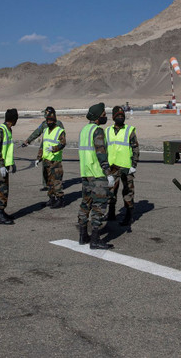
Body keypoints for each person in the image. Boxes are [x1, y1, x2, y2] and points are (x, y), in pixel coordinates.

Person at [77, 102, 114, 250]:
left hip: (85, 174)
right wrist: (108, 173)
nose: (106, 117)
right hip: (97, 175)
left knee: (85, 205)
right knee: (99, 207)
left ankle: (82, 235)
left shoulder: (84, 130)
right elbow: (100, 153)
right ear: (98, 117)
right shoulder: (97, 131)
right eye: (104, 115)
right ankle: (95, 239)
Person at [105, 105, 140, 226]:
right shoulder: (107, 131)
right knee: (111, 190)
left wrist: (134, 164)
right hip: (112, 166)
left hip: (126, 167)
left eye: (122, 116)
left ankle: (129, 215)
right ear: (113, 117)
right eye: (118, 116)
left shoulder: (130, 130)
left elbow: (135, 148)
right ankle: (111, 213)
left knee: (128, 191)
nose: (120, 118)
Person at [21, 106, 64, 191]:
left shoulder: (58, 124)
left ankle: (57, 186)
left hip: (55, 149)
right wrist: (28, 141)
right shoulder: (44, 123)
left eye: (46, 113)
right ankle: (46, 185)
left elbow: (62, 137)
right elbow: (37, 132)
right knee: (45, 166)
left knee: (55, 170)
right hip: (45, 146)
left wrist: (57, 147)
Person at [0, 109, 18, 225]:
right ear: (13, 119)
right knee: (2, 190)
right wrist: (1, 165)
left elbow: (7, 150)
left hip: (4, 165)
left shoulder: (8, 130)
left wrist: (11, 163)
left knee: (4, 190)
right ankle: (0, 215)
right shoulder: (1, 130)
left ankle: (2, 212)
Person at [36, 112, 66, 209]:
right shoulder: (45, 131)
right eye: (47, 120)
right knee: (49, 181)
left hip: (55, 161)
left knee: (56, 181)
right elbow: (42, 146)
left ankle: (60, 200)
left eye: (51, 121)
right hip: (46, 160)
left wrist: (54, 148)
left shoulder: (59, 131)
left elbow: (63, 143)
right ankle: (51, 198)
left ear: (54, 121)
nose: (49, 122)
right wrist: (38, 158)